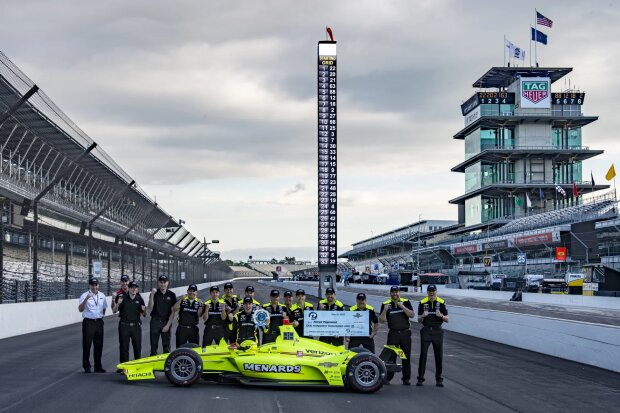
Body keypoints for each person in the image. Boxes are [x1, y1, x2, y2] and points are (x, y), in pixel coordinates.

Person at [379, 286, 414, 385]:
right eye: (393, 292)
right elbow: (381, 321)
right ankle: (388, 378)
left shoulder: (406, 301)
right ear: (390, 293)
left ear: (399, 293)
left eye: (396, 292)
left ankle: (406, 379)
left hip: (405, 333)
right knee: (391, 357)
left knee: (405, 357)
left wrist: (402, 306)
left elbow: (411, 315)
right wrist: (385, 310)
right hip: (393, 334)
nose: (395, 294)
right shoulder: (385, 304)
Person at [417, 284, 449, 387]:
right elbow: (418, 320)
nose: (431, 293)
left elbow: (447, 319)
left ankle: (439, 379)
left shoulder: (441, 302)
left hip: (437, 331)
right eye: (429, 291)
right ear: (427, 292)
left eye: (433, 291)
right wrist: (423, 315)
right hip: (426, 330)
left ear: (436, 292)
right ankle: (420, 379)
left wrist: (441, 316)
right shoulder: (422, 302)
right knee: (423, 355)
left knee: (438, 356)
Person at [114, 281, 145, 371]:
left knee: (137, 347)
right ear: (129, 288)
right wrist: (118, 303)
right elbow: (114, 311)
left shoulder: (139, 299)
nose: (134, 289)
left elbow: (144, 314)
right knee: (124, 347)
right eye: (132, 287)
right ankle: (124, 368)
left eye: (135, 288)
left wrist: (144, 310)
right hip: (124, 326)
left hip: (136, 326)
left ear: (137, 289)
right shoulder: (122, 298)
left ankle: (137, 367)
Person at [78, 278, 108, 373]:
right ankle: (86, 366)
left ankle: (98, 366)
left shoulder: (102, 295)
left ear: (98, 285)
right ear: (89, 286)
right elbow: (80, 309)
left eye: (96, 285)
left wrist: (100, 316)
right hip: (88, 322)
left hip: (99, 322)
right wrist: (86, 299)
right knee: (87, 344)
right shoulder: (84, 295)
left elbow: (104, 308)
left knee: (99, 345)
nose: (94, 287)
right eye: (92, 285)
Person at [148, 275, 177, 355]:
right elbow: (150, 307)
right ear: (158, 283)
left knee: (166, 347)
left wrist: (168, 325)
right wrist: (152, 295)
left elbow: (173, 311)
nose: (163, 284)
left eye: (164, 282)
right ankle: (153, 365)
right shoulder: (154, 293)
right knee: (153, 347)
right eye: (161, 282)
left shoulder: (172, 295)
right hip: (155, 322)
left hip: (166, 322)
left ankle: (166, 366)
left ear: (167, 283)